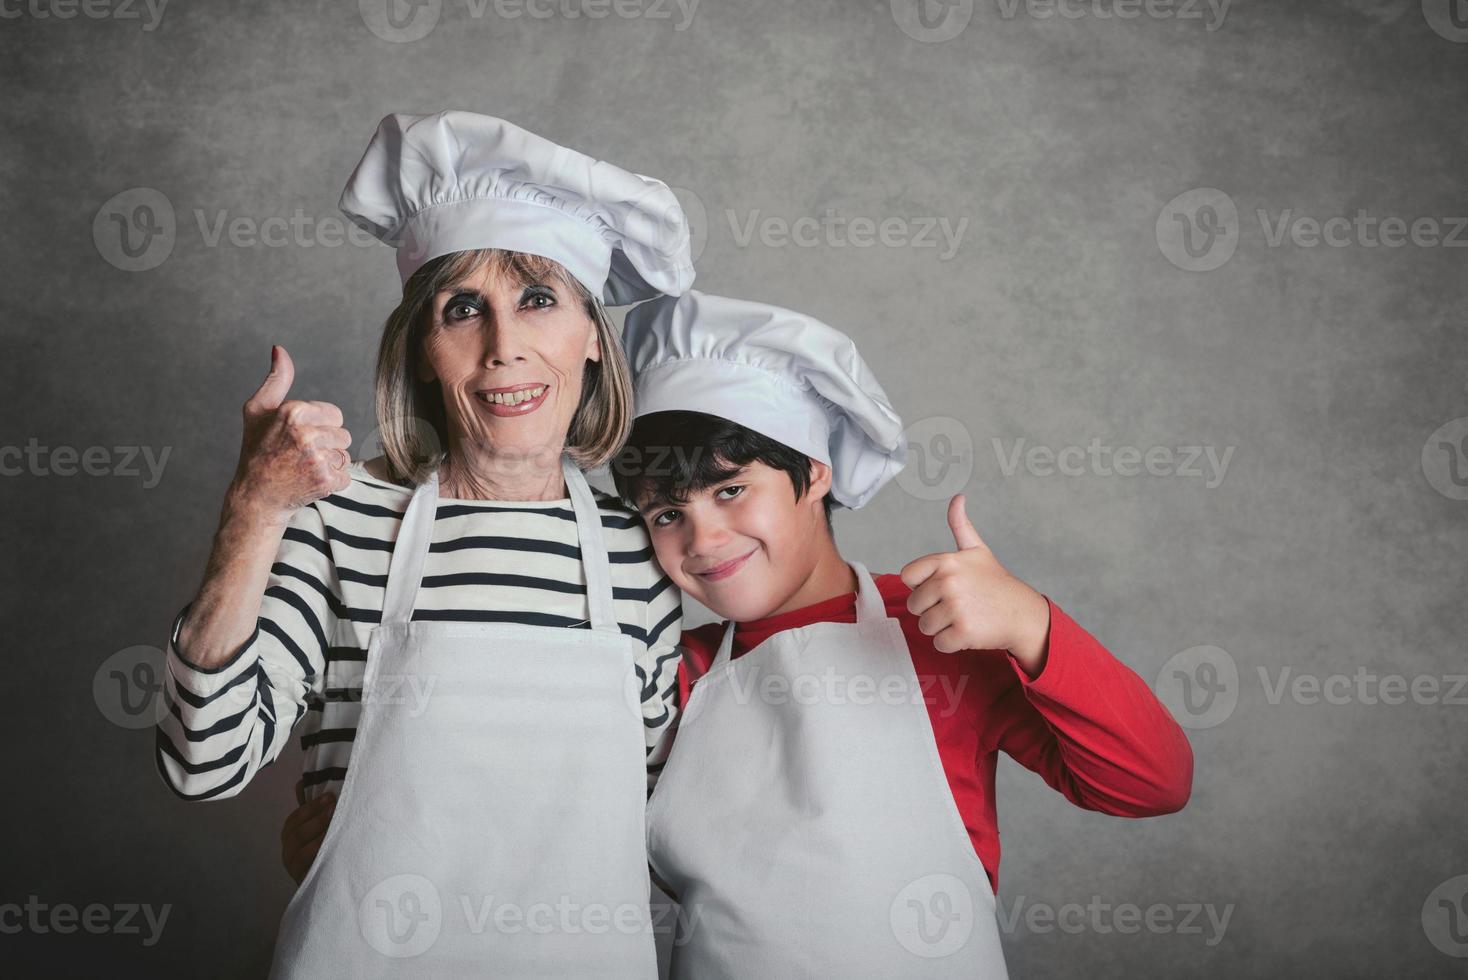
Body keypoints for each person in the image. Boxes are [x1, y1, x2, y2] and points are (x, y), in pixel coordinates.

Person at [275, 287, 1194, 975]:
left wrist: (1031, 627)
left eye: (730, 490)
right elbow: (541, 823)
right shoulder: (671, 674)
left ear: (817, 473)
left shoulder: (938, 637)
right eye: (665, 511)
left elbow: (1151, 783)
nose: (703, 539)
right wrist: (365, 837)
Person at [155, 110, 693, 978]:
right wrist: (253, 510)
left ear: (593, 338)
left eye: (540, 300)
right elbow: (201, 763)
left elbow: (661, 825)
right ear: (423, 350)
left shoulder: (641, 556)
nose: (505, 348)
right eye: (463, 310)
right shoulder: (340, 519)